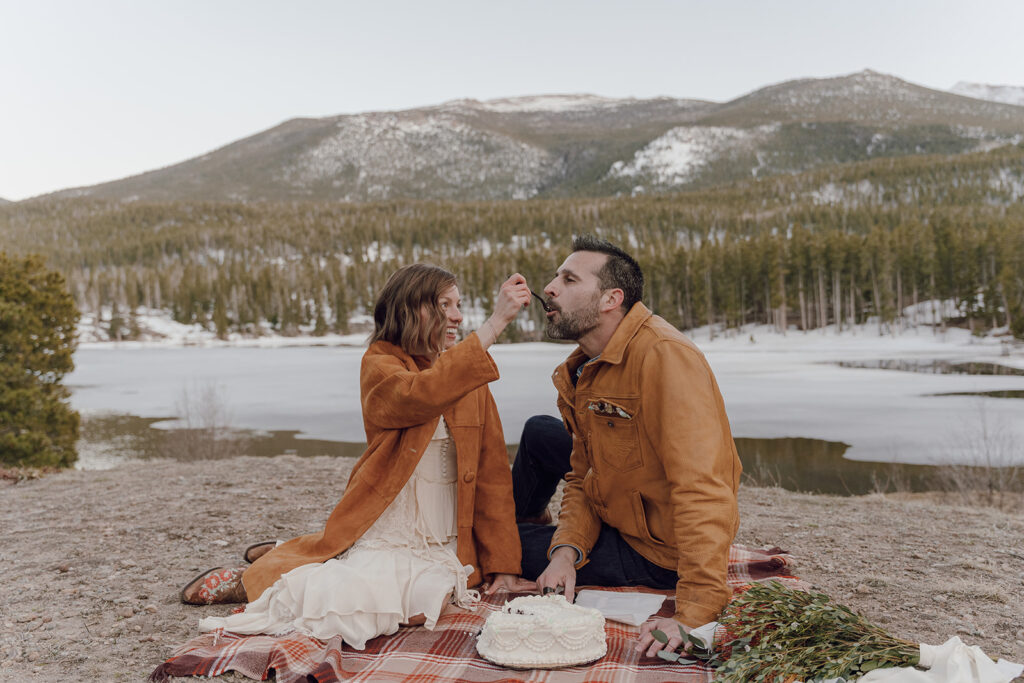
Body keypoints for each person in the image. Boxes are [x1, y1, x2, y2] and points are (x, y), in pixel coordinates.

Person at [180, 264, 533, 649]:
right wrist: (495, 323)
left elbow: (493, 475)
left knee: (425, 602)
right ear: (410, 309)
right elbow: (418, 396)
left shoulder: (469, 377)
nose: (458, 316)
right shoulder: (381, 364)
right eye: (443, 305)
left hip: (447, 538)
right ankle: (257, 581)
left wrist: (504, 565)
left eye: (459, 305)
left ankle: (298, 551)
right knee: (362, 602)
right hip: (392, 527)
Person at [513, 235, 742, 660]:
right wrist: (565, 553)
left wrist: (694, 615)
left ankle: (519, 535)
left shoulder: (665, 359)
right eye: (555, 277)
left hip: (654, 549)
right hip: (618, 505)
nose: (549, 287)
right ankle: (535, 530)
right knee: (540, 431)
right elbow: (584, 474)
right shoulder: (586, 365)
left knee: (494, 541)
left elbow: (704, 490)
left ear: (610, 299)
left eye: (568, 279)